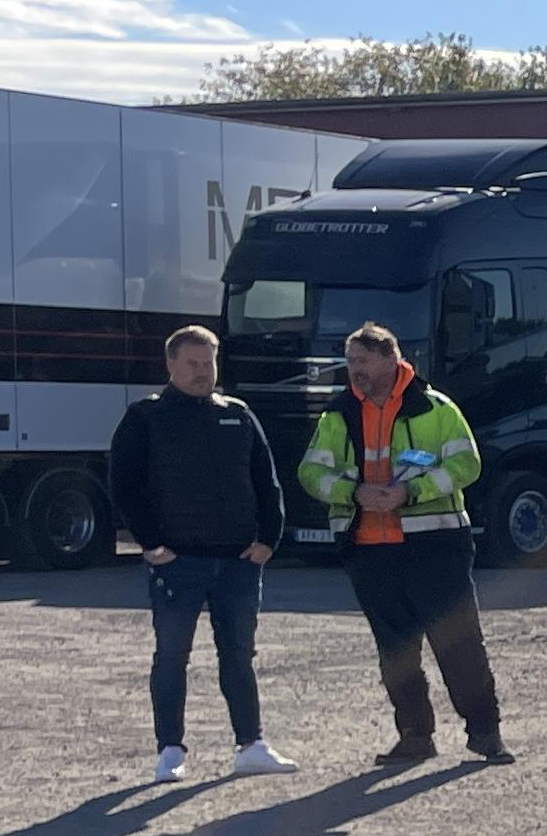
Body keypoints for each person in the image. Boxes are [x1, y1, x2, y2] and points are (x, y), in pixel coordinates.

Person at [299, 322, 514, 766]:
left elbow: (467, 464)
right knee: (396, 651)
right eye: (350, 360)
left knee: (458, 643)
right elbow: (310, 473)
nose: (352, 369)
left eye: (361, 361)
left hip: (434, 544)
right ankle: (415, 735)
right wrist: (352, 493)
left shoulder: (436, 409)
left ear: (389, 360)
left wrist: (409, 493)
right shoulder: (337, 415)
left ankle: (486, 734)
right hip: (368, 549)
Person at [107, 324, 296, 783]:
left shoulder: (238, 414)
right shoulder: (145, 417)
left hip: (238, 562)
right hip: (178, 562)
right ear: (170, 365)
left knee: (239, 654)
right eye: (192, 363)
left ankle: (250, 745)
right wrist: (151, 545)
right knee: (172, 656)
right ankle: (170, 751)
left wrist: (269, 538)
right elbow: (124, 487)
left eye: (208, 362)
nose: (202, 372)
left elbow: (267, 482)